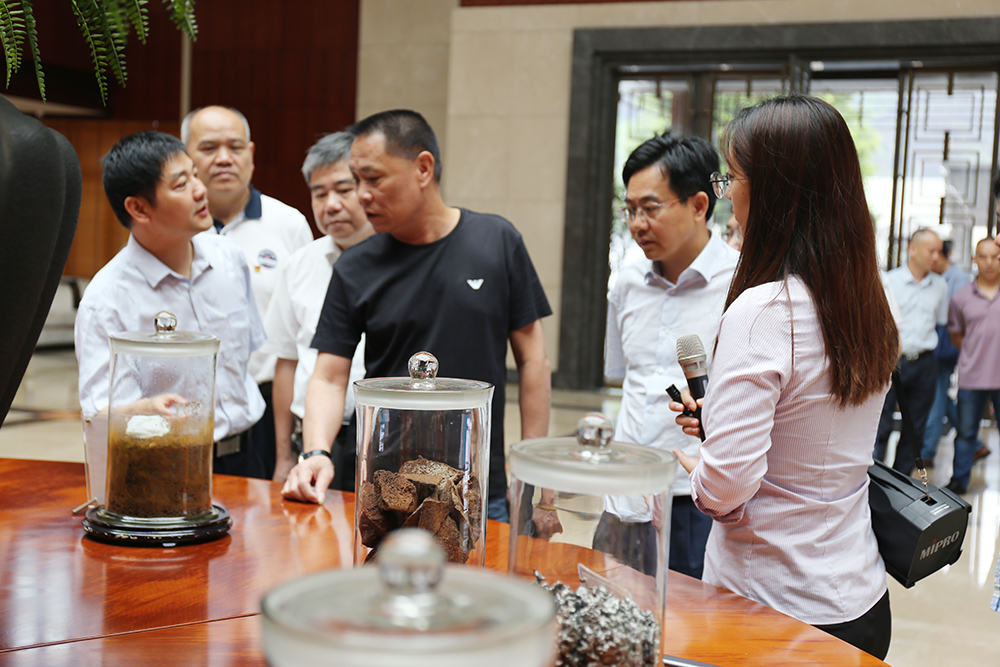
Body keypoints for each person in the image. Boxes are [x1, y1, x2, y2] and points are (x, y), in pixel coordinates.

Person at [671, 95, 898, 659]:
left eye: (733, 178)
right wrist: (723, 427)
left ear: (776, 190)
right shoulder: (870, 302)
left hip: (771, 609)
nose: (727, 195)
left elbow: (726, 490)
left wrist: (704, 469)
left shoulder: (764, 312)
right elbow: (816, 433)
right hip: (860, 597)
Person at [281, 110, 552, 522]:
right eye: (357, 180)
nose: (362, 194)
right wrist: (316, 451)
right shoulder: (356, 266)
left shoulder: (497, 241)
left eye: (373, 178)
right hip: (388, 491)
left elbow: (533, 361)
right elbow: (329, 377)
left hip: (478, 485)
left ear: (423, 168)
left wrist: (533, 474)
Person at [75, 131, 267, 476]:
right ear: (138, 208)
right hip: (168, 465)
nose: (200, 190)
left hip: (251, 455)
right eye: (181, 184)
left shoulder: (228, 258)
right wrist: (147, 408)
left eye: (195, 174)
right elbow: (101, 413)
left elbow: (246, 360)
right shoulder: (106, 300)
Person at [602, 132, 739, 579]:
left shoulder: (742, 286)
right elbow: (627, 377)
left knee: (689, 616)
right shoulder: (627, 283)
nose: (637, 224)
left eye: (650, 208)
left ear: (699, 205)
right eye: (630, 210)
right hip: (624, 490)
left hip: (693, 497)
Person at [182, 105, 314, 477]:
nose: (224, 158)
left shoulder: (289, 224)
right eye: (209, 148)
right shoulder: (174, 227)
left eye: (235, 147)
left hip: (269, 408)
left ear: (251, 154)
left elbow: (306, 326)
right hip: (188, 403)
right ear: (185, 156)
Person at [261, 132, 374, 484]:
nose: (331, 204)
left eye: (343, 190)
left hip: (380, 438)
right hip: (313, 441)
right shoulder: (300, 264)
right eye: (320, 193)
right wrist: (283, 457)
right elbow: (286, 361)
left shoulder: (401, 261)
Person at [873, 228, 948, 474]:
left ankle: (901, 483)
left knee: (915, 429)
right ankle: (875, 481)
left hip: (925, 363)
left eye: (939, 252)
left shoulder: (940, 286)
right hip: (891, 362)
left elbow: (940, 322)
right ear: (912, 249)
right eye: (931, 251)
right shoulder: (889, 282)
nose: (936, 257)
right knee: (881, 424)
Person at [944, 237, 1000, 495]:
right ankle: (959, 480)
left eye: (995, 256)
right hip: (972, 376)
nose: (989, 262)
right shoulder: (961, 297)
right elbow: (957, 335)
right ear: (974, 259)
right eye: (983, 256)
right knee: (966, 433)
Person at [921, 239, 974, 468]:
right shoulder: (935, 278)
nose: (931, 259)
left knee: (937, 398)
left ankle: (927, 452)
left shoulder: (958, 279)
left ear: (942, 256)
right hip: (934, 346)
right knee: (942, 396)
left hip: (945, 349)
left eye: (935, 253)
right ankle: (977, 443)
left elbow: (957, 318)